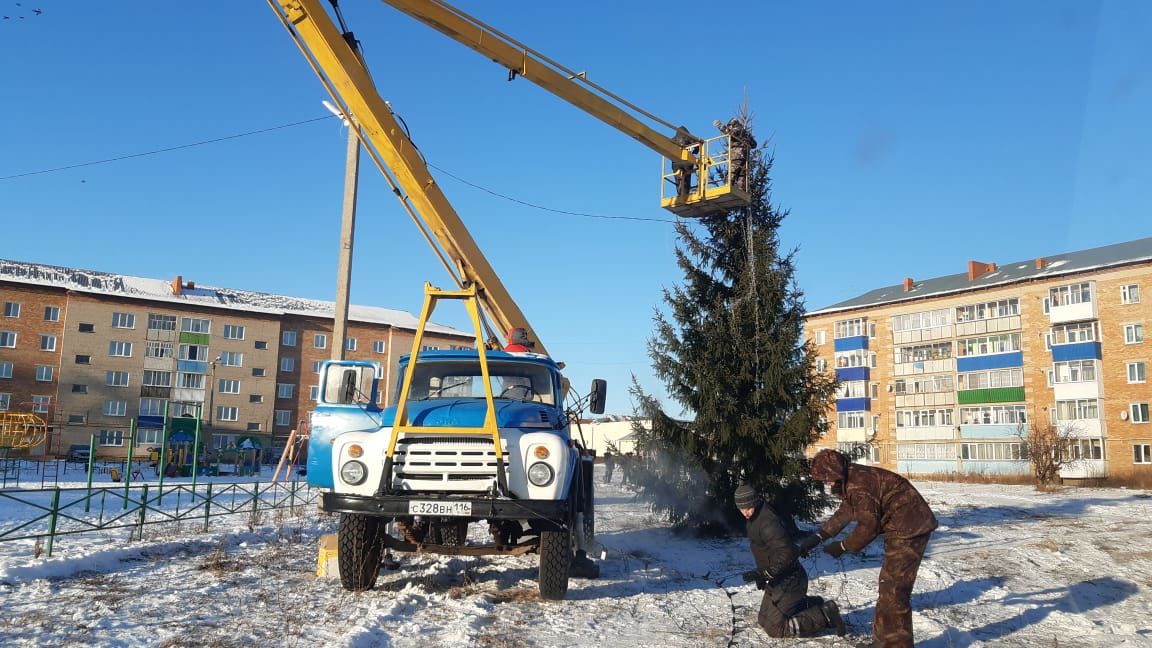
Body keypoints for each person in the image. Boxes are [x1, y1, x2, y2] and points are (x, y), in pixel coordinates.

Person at [797, 449, 938, 648]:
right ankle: (881, 642)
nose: (826, 484)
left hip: (911, 529)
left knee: (896, 592)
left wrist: (843, 546)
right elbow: (846, 511)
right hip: (899, 528)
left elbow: (868, 528)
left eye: (827, 479)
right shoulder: (852, 477)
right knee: (887, 587)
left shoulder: (860, 486)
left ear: (835, 474)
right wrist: (819, 536)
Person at [735, 483, 845, 639]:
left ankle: (824, 614)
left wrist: (765, 573)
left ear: (755, 501)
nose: (745, 512)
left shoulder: (768, 523)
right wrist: (762, 576)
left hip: (791, 581)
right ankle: (813, 604)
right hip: (778, 579)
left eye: (748, 506)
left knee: (775, 629)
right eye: (741, 508)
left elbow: (789, 553)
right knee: (764, 620)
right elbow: (764, 551)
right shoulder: (755, 517)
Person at [714, 118, 757, 191]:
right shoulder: (746, 133)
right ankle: (742, 191)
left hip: (737, 155)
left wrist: (721, 126)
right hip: (745, 158)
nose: (729, 127)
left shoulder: (737, 129)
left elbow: (730, 133)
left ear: (734, 124)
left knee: (732, 172)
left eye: (730, 125)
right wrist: (746, 142)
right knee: (742, 176)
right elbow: (754, 144)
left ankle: (727, 188)